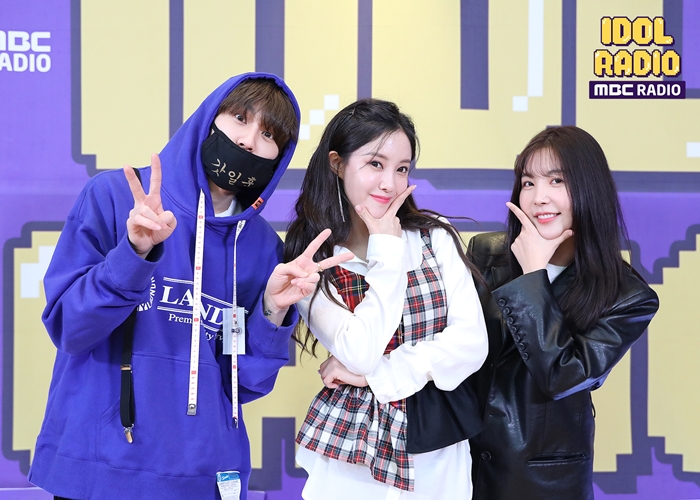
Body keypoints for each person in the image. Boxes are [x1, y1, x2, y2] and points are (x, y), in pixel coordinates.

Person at [29, 73, 351, 500]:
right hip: (100, 469)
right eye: (240, 118)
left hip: (201, 476)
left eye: (268, 134)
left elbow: (244, 384)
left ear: (280, 155)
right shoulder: (116, 198)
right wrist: (133, 254)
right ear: (208, 118)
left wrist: (272, 312)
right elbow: (71, 328)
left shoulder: (260, 249)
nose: (248, 141)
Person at [284, 98, 489, 499]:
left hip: (437, 447)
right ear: (337, 164)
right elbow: (360, 351)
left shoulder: (433, 236)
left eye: (401, 169)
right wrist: (387, 253)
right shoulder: (313, 260)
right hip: (351, 452)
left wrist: (378, 376)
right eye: (375, 164)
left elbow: (471, 343)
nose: (389, 183)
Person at [467, 126, 660, 500]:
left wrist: (533, 277)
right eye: (528, 182)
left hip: (540, 481)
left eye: (557, 181)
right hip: (461, 465)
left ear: (589, 189)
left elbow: (561, 376)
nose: (539, 197)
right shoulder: (486, 253)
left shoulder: (628, 296)